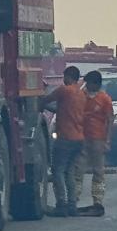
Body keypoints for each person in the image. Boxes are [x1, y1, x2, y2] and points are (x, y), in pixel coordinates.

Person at [43, 65, 86, 217]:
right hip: (79, 139)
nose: (63, 79)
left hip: (65, 138)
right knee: (69, 172)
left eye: (64, 77)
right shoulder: (81, 94)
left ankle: (61, 204)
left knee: (58, 171)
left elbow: (46, 99)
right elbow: (66, 110)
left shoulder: (64, 90)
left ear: (68, 77)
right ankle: (72, 205)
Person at [79, 69, 113, 217]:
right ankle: (73, 200)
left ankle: (97, 202)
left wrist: (108, 140)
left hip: (98, 139)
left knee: (98, 172)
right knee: (77, 170)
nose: (86, 86)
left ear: (96, 84)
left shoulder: (104, 99)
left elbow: (110, 120)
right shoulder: (81, 96)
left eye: (89, 83)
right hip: (81, 138)